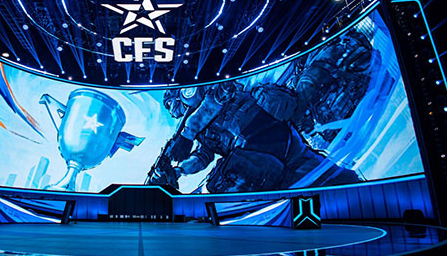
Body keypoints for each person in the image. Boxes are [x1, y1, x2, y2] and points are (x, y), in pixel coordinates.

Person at [148, 82, 361, 193]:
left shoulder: (220, 93)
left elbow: (216, 99)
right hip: (262, 165)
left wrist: (187, 134)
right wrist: (180, 170)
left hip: (280, 144)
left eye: (177, 100)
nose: (177, 108)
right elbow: (202, 157)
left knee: (332, 178)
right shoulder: (201, 132)